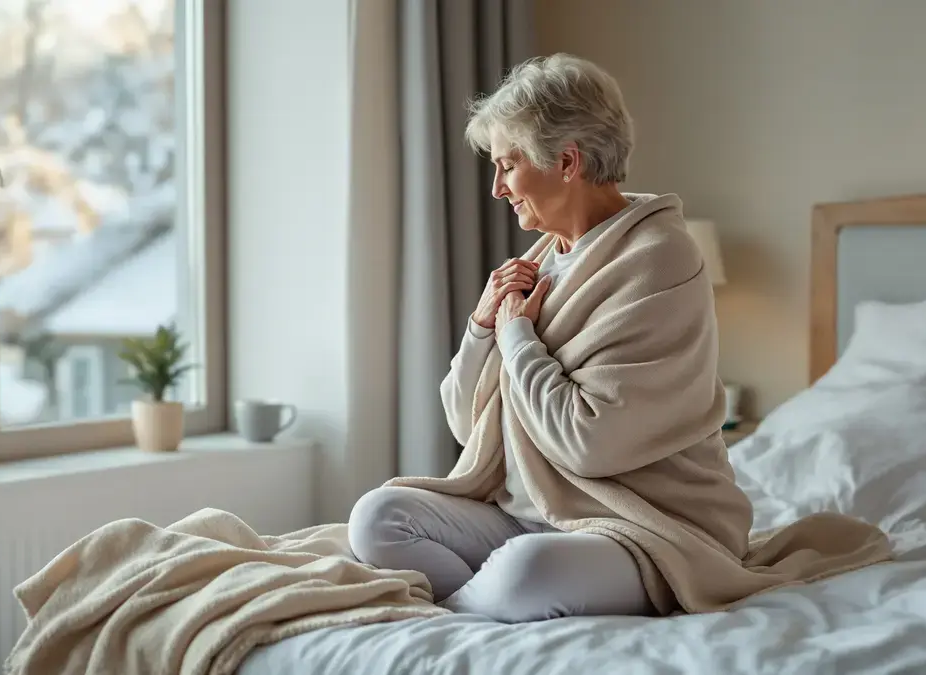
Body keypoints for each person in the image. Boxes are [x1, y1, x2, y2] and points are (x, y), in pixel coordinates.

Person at [346, 54, 889, 623]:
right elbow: (466, 426)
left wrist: (516, 337)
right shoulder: (541, 260)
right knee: (377, 516)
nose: (497, 189)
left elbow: (588, 443)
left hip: (641, 522)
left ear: (566, 161)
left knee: (529, 571)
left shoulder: (659, 259)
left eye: (507, 166)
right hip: (531, 512)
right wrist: (483, 327)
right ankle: (483, 604)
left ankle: (459, 611)